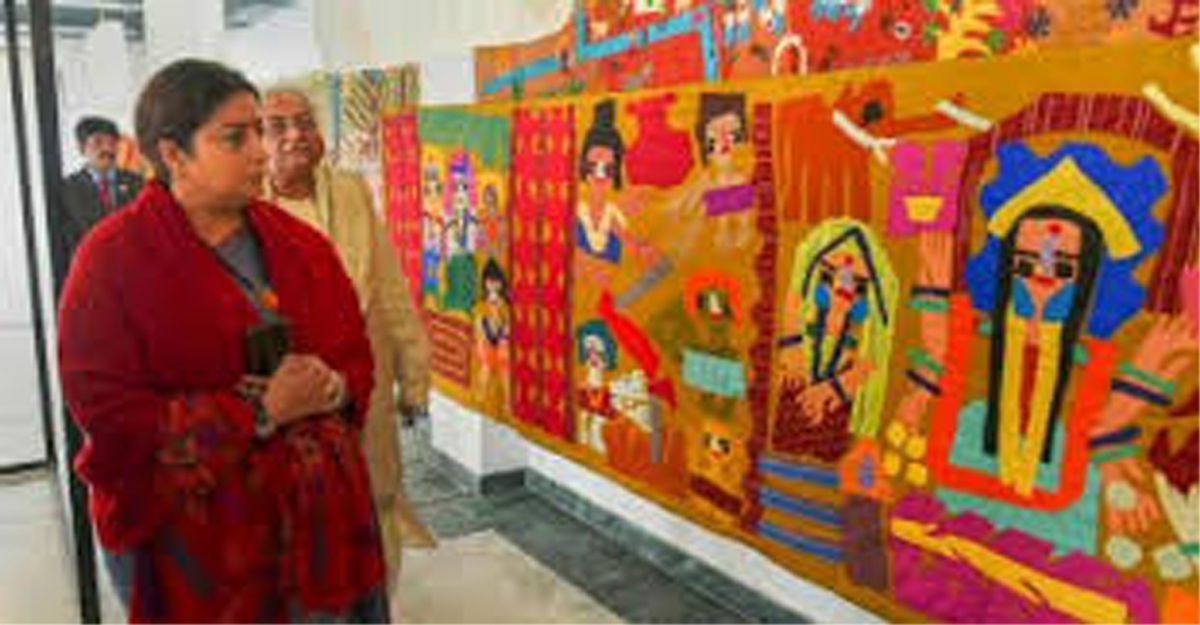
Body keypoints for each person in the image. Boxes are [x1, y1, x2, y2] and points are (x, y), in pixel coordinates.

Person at [57, 59, 388, 622]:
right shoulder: (111, 261)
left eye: (259, 131)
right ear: (174, 154)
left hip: (315, 527)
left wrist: (331, 387)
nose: (261, 151)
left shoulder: (300, 246)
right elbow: (108, 413)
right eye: (236, 138)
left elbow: (353, 355)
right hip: (194, 543)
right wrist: (258, 412)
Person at [259, 87, 435, 587]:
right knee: (302, 523)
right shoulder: (244, 208)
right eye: (277, 126)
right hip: (291, 399)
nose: (295, 135)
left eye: (305, 122)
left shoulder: (351, 191)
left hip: (365, 388)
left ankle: (378, 604)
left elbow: (390, 290)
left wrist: (415, 376)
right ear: (256, 140)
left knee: (378, 500)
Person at [54, 116, 144, 291]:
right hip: (90, 278)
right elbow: (69, 239)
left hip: (133, 276)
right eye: (98, 142)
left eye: (112, 143)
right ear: (82, 148)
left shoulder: (137, 183)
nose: (107, 149)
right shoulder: (68, 189)